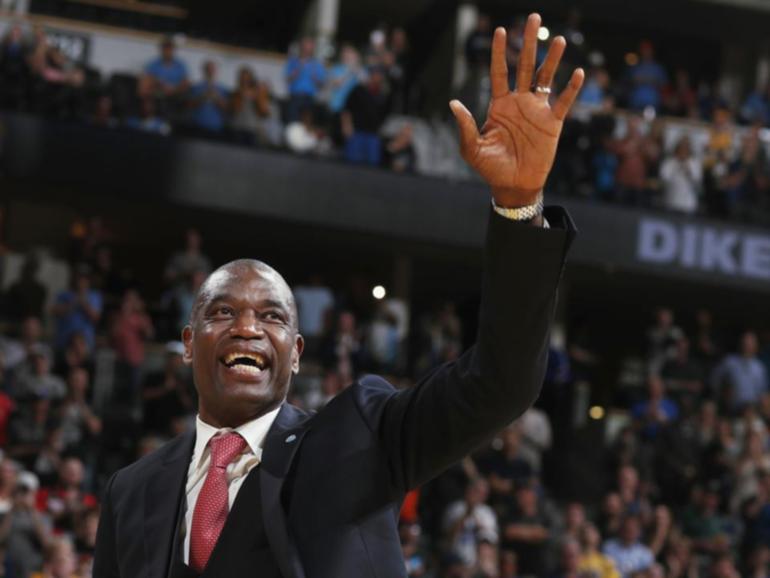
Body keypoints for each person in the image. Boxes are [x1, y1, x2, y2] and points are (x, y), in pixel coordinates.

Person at [93, 14, 583, 577]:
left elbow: (501, 384)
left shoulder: (358, 436)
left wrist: (519, 207)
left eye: (271, 316)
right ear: (187, 342)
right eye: (223, 311)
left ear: (297, 351)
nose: (247, 327)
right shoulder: (130, 491)